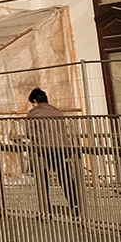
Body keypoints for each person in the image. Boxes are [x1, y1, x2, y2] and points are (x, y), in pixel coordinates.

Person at [25, 88, 80, 217]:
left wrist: (38, 139)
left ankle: (46, 209)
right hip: (60, 149)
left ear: (35, 101)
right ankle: (75, 205)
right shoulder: (57, 111)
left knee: (42, 180)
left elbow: (29, 133)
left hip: (43, 150)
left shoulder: (33, 113)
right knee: (65, 177)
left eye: (32, 103)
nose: (32, 106)